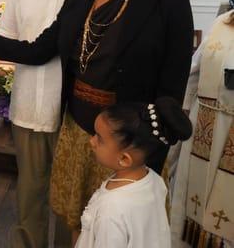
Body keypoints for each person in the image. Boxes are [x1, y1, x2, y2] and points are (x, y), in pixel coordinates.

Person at [0, 0, 194, 243]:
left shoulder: (168, 5)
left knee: (115, 228)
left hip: (126, 141)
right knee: (75, 218)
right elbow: (39, 50)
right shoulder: (79, 1)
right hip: (78, 132)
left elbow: (170, 91)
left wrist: (150, 152)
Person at [0, 0, 88, 248]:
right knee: (29, 196)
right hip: (28, 108)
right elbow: (9, 40)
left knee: (70, 203)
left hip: (74, 113)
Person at [76, 97, 192, 248]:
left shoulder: (111, 210)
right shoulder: (154, 180)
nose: (92, 141)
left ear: (124, 159)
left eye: (99, 138)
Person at [170, 10, 234, 248]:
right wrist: (182, 116)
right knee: (191, 205)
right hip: (203, 129)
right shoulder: (222, 22)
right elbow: (195, 72)